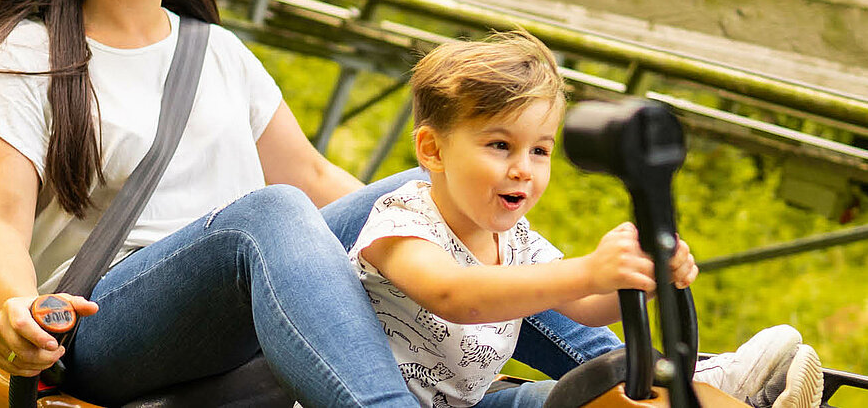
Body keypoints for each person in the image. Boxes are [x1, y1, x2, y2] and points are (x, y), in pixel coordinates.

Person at [0, 0, 643, 405]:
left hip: (255, 296)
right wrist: (14, 303)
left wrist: (414, 215)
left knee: (413, 193)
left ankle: (640, 377)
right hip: (109, 324)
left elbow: (314, 174)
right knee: (268, 212)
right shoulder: (25, 56)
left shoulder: (215, 52)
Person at [349, 32, 825, 408]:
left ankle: (714, 395)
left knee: (600, 399)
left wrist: (639, 277)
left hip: (471, 403)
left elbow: (585, 307)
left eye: (540, 150)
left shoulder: (513, 238)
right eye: (500, 145)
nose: (523, 168)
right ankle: (713, 389)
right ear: (432, 149)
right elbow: (456, 298)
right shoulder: (402, 220)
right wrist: (589, 269)